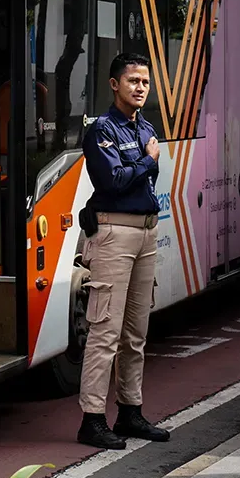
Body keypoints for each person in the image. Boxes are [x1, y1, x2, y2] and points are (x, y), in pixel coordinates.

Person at [76, 52, 170, 449]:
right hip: (114, 234)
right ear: (114, 84)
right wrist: (148, 161)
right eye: (133, 80)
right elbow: (113, 181)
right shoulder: (101, 130)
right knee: (105, 332)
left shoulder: (144, 126)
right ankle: (92, 419)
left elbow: (133, 180)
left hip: (146, 233)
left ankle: (130, 411)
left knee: (136, 333)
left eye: (145, 82)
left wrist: (142, 166)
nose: (140, 88)